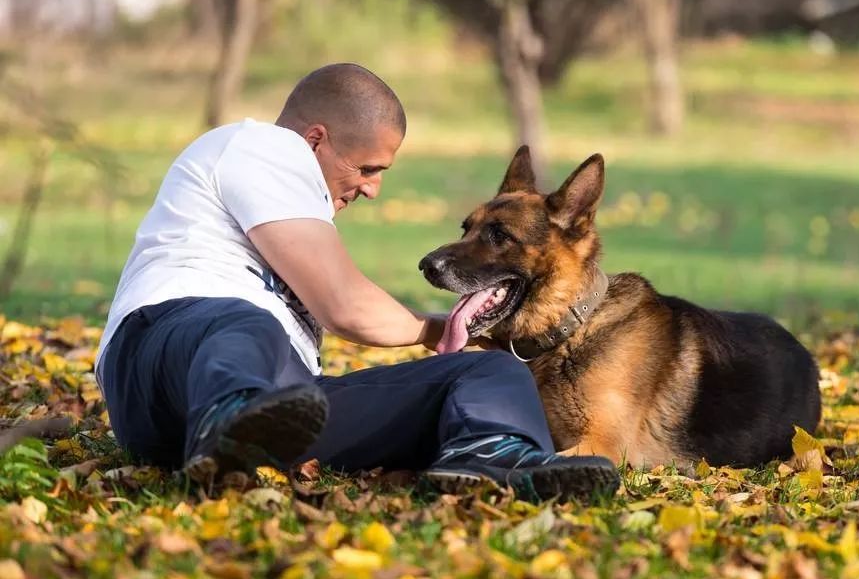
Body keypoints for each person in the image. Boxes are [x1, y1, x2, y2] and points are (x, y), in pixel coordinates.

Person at [96, 63, 619, 501]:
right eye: (369, 167)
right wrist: (438, 330)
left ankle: (492, 456)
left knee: (488, 372)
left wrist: (463, 343)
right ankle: (227, 421)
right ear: (316, 139)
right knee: (244, 321)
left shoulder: (296, 201)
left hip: (282, 406)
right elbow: (344, 305)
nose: (372, 189)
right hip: (161, 365)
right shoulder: (260, 147)